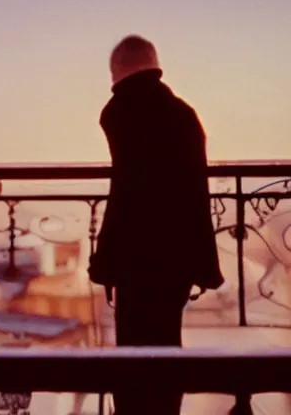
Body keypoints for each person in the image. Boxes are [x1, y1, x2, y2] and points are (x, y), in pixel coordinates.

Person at [88, 35, 225, 414]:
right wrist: (202, 262)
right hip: (177, 257)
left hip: (135, 259)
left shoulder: (120, 113)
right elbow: (194, 193)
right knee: (166, 349)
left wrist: (106, 262)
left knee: (132, 356)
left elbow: (127, 194)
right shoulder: (184, 114)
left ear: (117, 74)